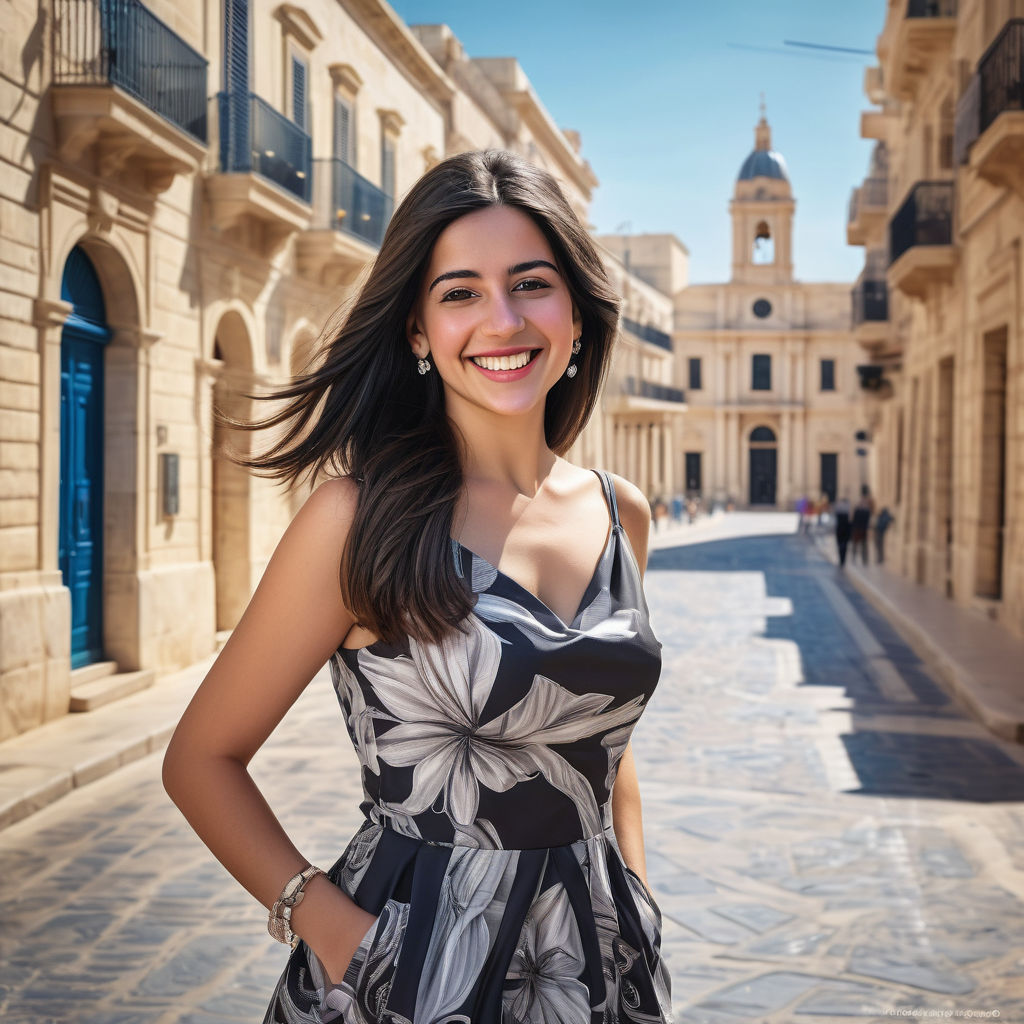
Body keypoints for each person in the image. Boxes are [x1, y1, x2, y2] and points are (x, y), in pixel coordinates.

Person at [161, 150, 672, 1023]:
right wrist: (339, 936)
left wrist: (635, 894)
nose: (502, 320)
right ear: (416, 331)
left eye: (531, 284)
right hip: (410, 963)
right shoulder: (358, 521)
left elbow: (603, 742)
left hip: (595, 964)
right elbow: (200, 761)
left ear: (578, 314)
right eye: (460, 292)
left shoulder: (621, 511)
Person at [851, 488, 873, 565]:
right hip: (859, 529)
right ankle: (856, 558)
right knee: (857, 545)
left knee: (862, 546)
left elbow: (854, 520)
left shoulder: (864, 510)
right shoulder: (863, 510)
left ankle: (863, 559)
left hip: (861, 529)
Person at [834, 494, 852, 567]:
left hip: (841, 530)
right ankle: (843, 560)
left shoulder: (839, 510)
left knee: (841, 546)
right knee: (844, 546)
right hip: (845, 530)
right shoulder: (846, 511)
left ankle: (841, 560)